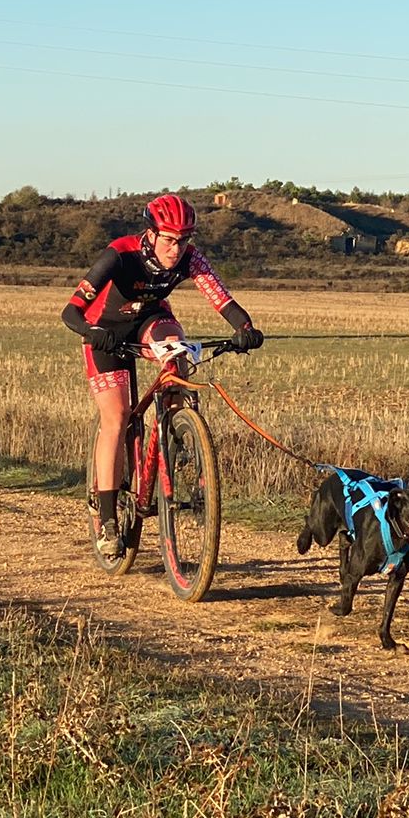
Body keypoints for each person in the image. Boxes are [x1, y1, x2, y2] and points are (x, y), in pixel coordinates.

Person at [62, 193, 263, 556]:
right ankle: (107, 519)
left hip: (150, 318)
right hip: (103, 330)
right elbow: (71, 312)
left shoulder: (189, 257)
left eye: (184, 240)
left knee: (178, 349)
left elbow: (220, 297)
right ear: (151, 234)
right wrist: (91, 334)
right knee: (117, 417)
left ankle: (177, 427)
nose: (177, 248)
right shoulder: (120, 254)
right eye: (169, 239)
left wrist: (245, 327)